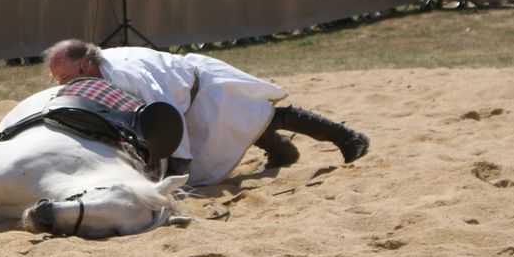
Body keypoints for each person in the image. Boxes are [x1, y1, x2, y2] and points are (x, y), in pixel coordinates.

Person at [43, 40, 369, 185]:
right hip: (184, 96)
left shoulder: (128, 77)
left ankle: (349, 138)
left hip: (202, 88)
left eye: (67, 78)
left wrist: (176, 173)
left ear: (86, 63)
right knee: (237, 127)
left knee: (265, 116)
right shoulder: (100, 68)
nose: (64, 85)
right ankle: (284, 153)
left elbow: (165, 115)